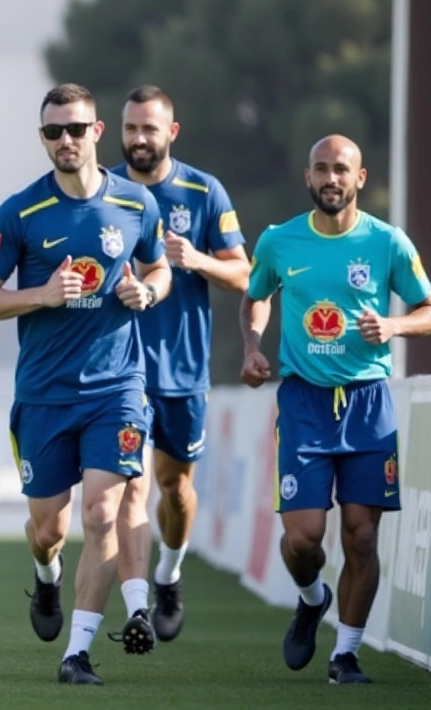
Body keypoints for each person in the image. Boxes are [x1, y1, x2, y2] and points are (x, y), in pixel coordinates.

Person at [0, 83, 172, 685]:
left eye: (76, 129)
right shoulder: (20, 212)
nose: (66, 141)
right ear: (42, 139)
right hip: (44, 394)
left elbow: (157, 265)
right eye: (54, 132)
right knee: (49, 527)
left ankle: (76, 653)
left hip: (117, 389)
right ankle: (47, 574)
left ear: (97, 132)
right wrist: (41, 295)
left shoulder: (136, 204)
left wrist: (148, 290)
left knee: (103, 514)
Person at [240, 134, 431, 684]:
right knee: (303, 538)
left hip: (368, 402)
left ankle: (345, 655)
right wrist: (254, 345)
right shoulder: (280, 241)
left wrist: (395, 324)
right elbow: (256, 293)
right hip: (304, 402)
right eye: (321, 169)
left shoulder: (387, 242)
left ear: (360, 178)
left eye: (341, 170)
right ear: (308, 177)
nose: (331, 178)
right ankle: (311, 597)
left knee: (361, 535)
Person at [110, 85, 251, 645]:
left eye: (150, 128)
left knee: (176, 487)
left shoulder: (203, 191)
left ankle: (169, 572)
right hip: (120, 368)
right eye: (130, 129)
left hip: (183, 368)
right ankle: (138, 604)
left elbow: (246, 274)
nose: (139, 139)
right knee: (131, 487)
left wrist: (194, 259)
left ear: (172, 132)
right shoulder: (108, 191)